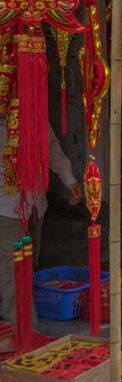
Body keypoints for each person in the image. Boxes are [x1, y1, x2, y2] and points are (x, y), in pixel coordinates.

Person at [0, 120, 81, 322]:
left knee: (29, 264)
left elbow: (51, 145)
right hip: (6, 208)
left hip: (35, 204)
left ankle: (22, 321)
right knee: (13, 269)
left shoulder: (33, 111)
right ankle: (21, 327)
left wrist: (68, 179)